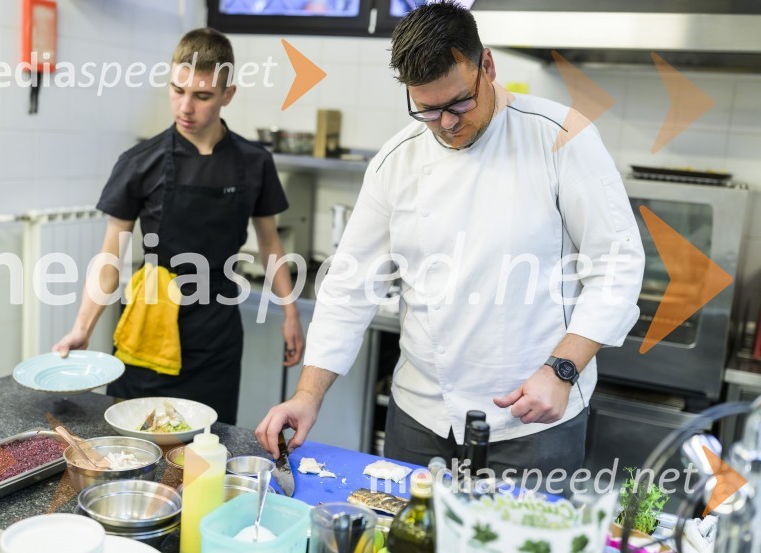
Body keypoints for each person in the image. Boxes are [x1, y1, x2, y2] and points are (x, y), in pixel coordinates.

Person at [256, 1, 644, 477]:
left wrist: (562, 370)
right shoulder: (395, 162)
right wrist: (307, 395)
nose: (446, 123)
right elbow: (349, 289)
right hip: (419, 420)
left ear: (488, 66)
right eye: (427, 109)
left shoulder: (561, 137)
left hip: (534, 422)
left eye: (460, 103)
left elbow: (617, 266)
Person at [53, 28, 305, 425]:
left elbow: (270, 242)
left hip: (216, 334)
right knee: (134, 445)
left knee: (205, 449)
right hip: (148, 328)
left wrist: (291, 314)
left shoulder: (254, 162)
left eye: (202, 96)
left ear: (228, 95)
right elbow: (109, 256)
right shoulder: (140, 162)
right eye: (177, 90)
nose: (185, 107)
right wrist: (82, 328)